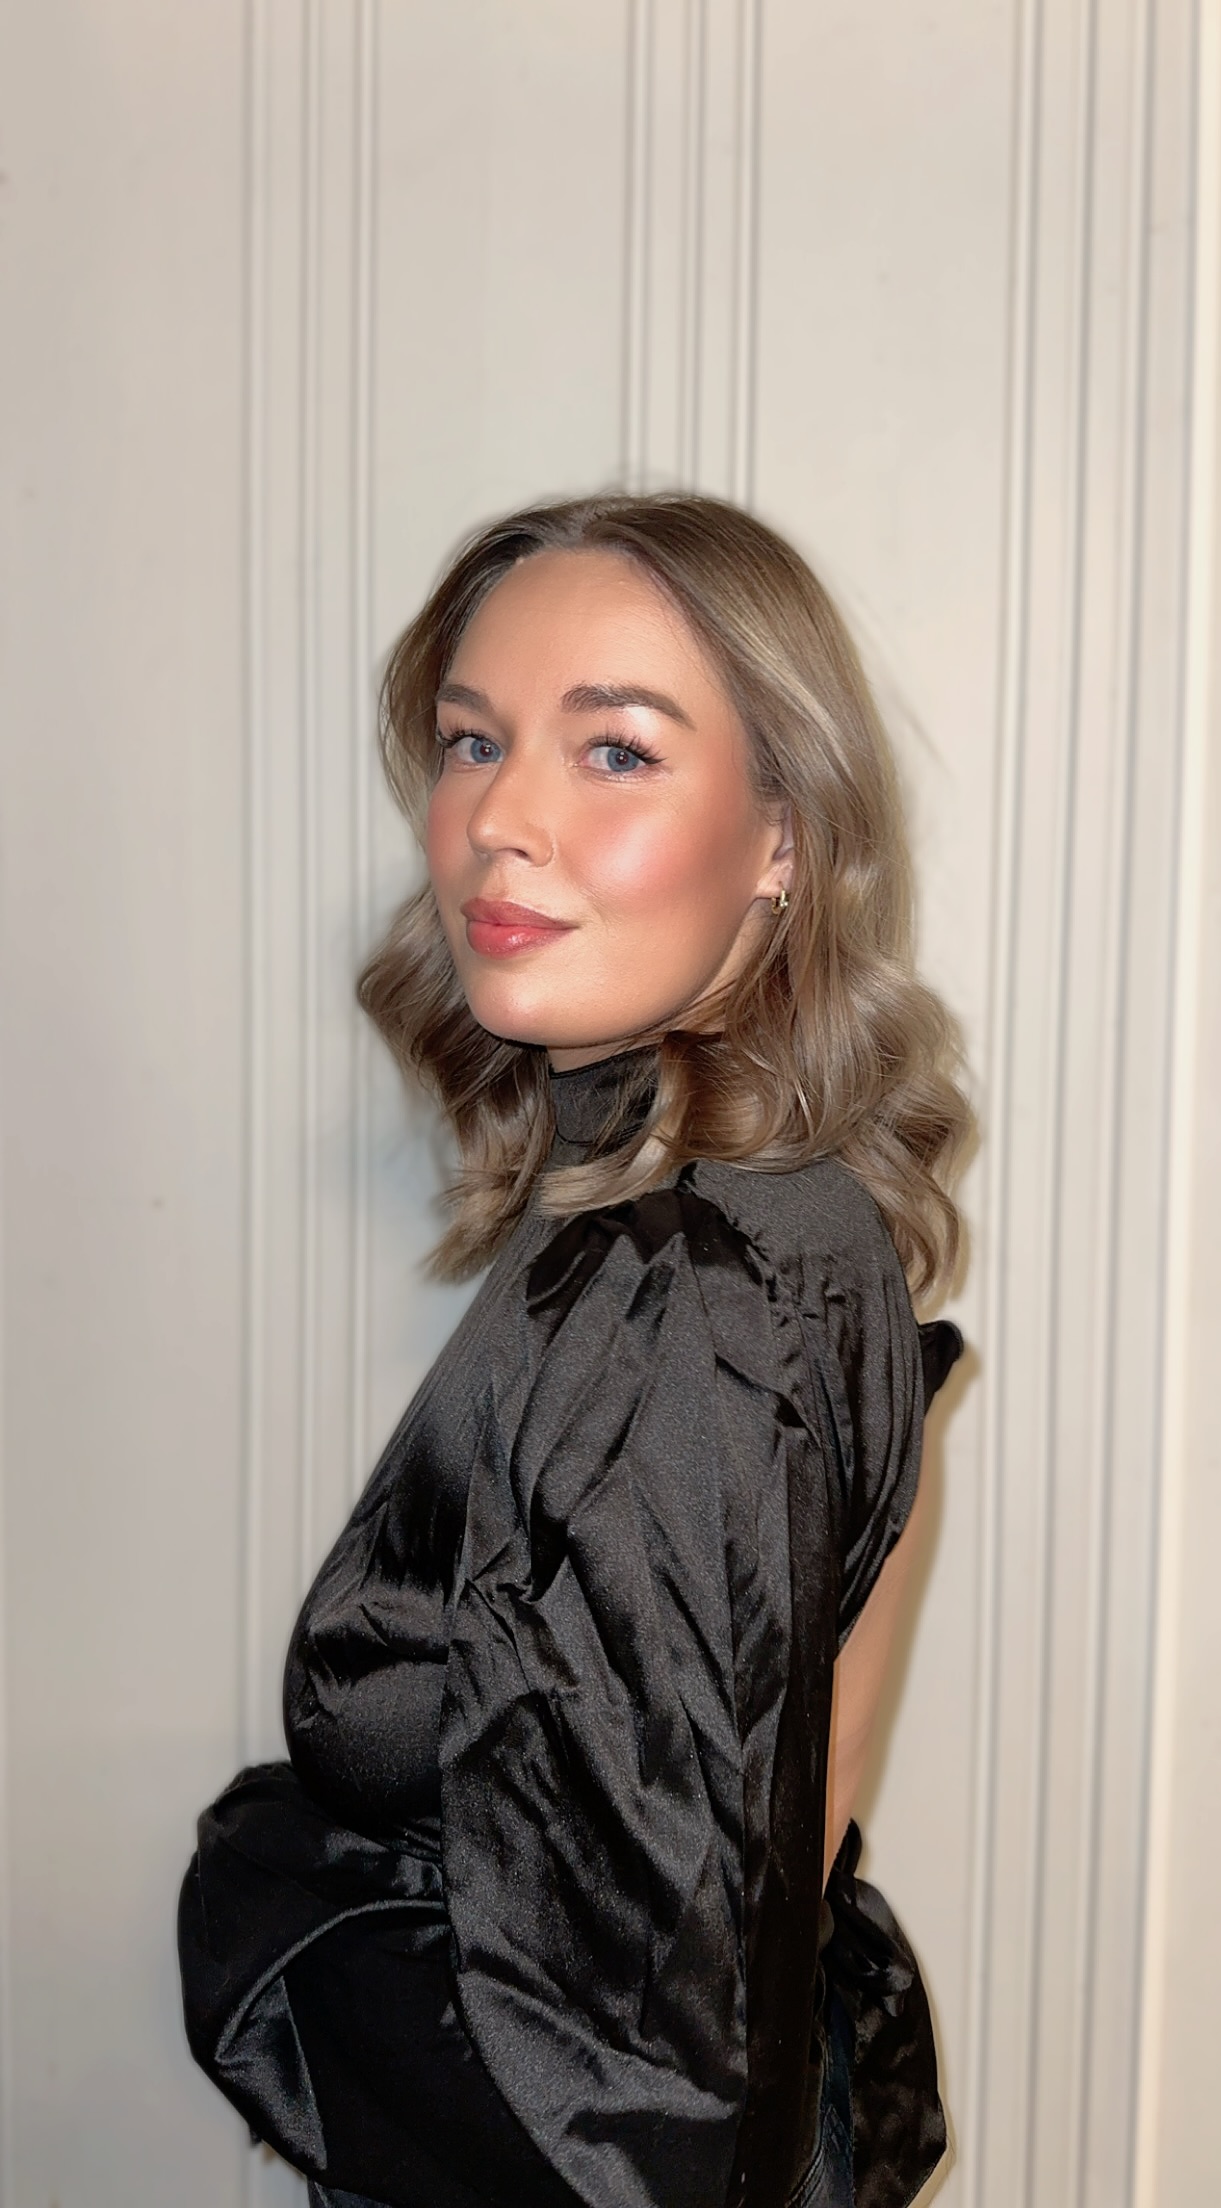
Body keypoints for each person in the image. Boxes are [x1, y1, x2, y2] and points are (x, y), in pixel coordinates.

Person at [178, 492, 973, 2208]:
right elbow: (773, 1855)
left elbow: (616, 2112)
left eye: (614, 752)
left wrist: (258, 1893)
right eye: (473, 741)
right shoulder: (780, 1218)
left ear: (780, 835)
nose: (497, 820)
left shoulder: (683, 1295)